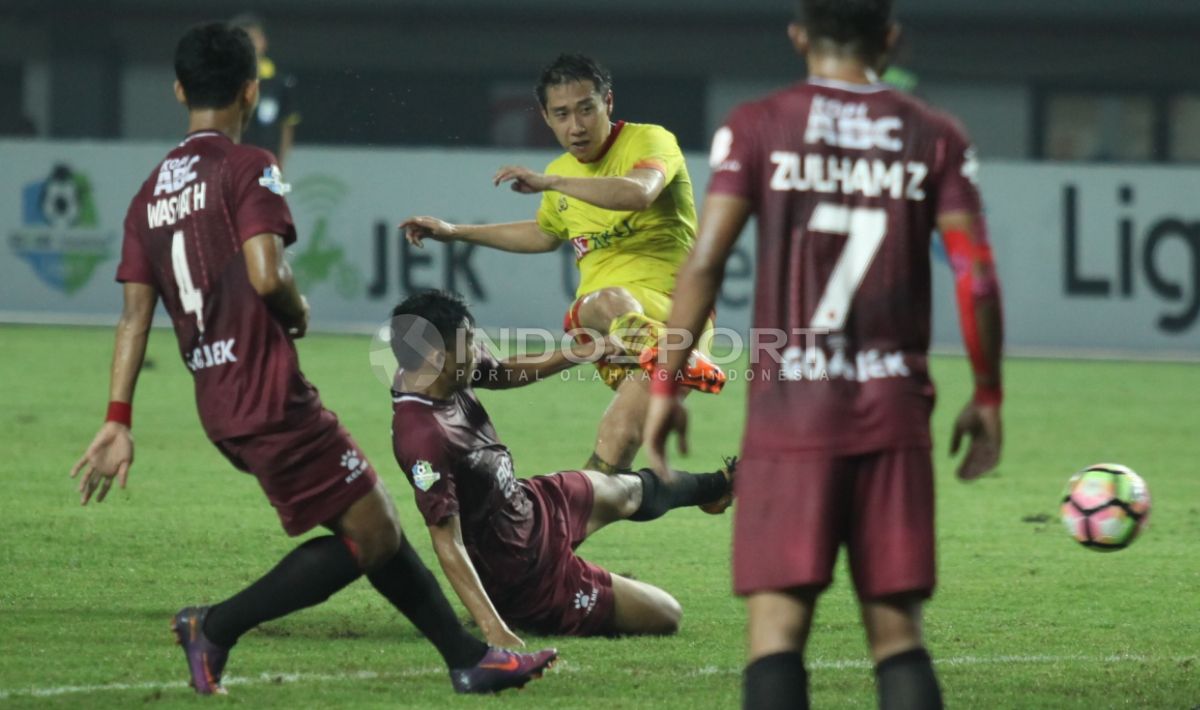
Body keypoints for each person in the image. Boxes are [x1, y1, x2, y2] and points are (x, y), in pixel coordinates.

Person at [68, 22, 555, 696]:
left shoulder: (147, 195)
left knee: (373, 526)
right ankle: (214, 626)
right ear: (250, 88)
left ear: (179, 90)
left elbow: (133, 316)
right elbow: (268, 276)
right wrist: (295, 311)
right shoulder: (249, 165)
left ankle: (467, 658)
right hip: (266, 390)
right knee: (374, 534)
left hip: (217, 397)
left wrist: (117, 417)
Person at [644, 1, 1005, 708]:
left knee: (776, 632)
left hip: (790, 416)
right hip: (893, 412)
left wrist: (668, 388)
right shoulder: (934, 135)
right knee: (898, 633)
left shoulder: (757, 126)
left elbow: (705, 263)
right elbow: (977, 276)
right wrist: (988, 394)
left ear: (799, 35)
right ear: (891, 39)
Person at [401, 54, 725, 475]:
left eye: (586, 108)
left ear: (608, 102)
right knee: (614, 408)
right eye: (563, 114)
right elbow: (543, 233)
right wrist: (454, 231)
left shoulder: (650, 141)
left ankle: (669, 358)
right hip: (618, 334)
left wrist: (550, 181)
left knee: (615, 427)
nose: (577, 125)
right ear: (546, 117)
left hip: (682, 313)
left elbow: (639, 193)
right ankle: (705, 464)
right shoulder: (561, 172)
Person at [387, 290, 734, 641]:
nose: (478, 352)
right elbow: (448, 542)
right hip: (523, 576)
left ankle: (722, 485)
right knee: (667, 615)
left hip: (529, 506)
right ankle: (589, 590)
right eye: (467, 344)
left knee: (623, 489)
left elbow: (500, 372)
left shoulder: (432, 371)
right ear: (435, 357)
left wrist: (582, 352)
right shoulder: (423, 438)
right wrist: (495, 629)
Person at [231, 13, 300, 168]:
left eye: (253, 39)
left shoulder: (280, 82)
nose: (248, 45)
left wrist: (280, 164)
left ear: (263, 42)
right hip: (231, 165)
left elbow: (287, 126)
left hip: (266, 166)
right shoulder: (222, 80)